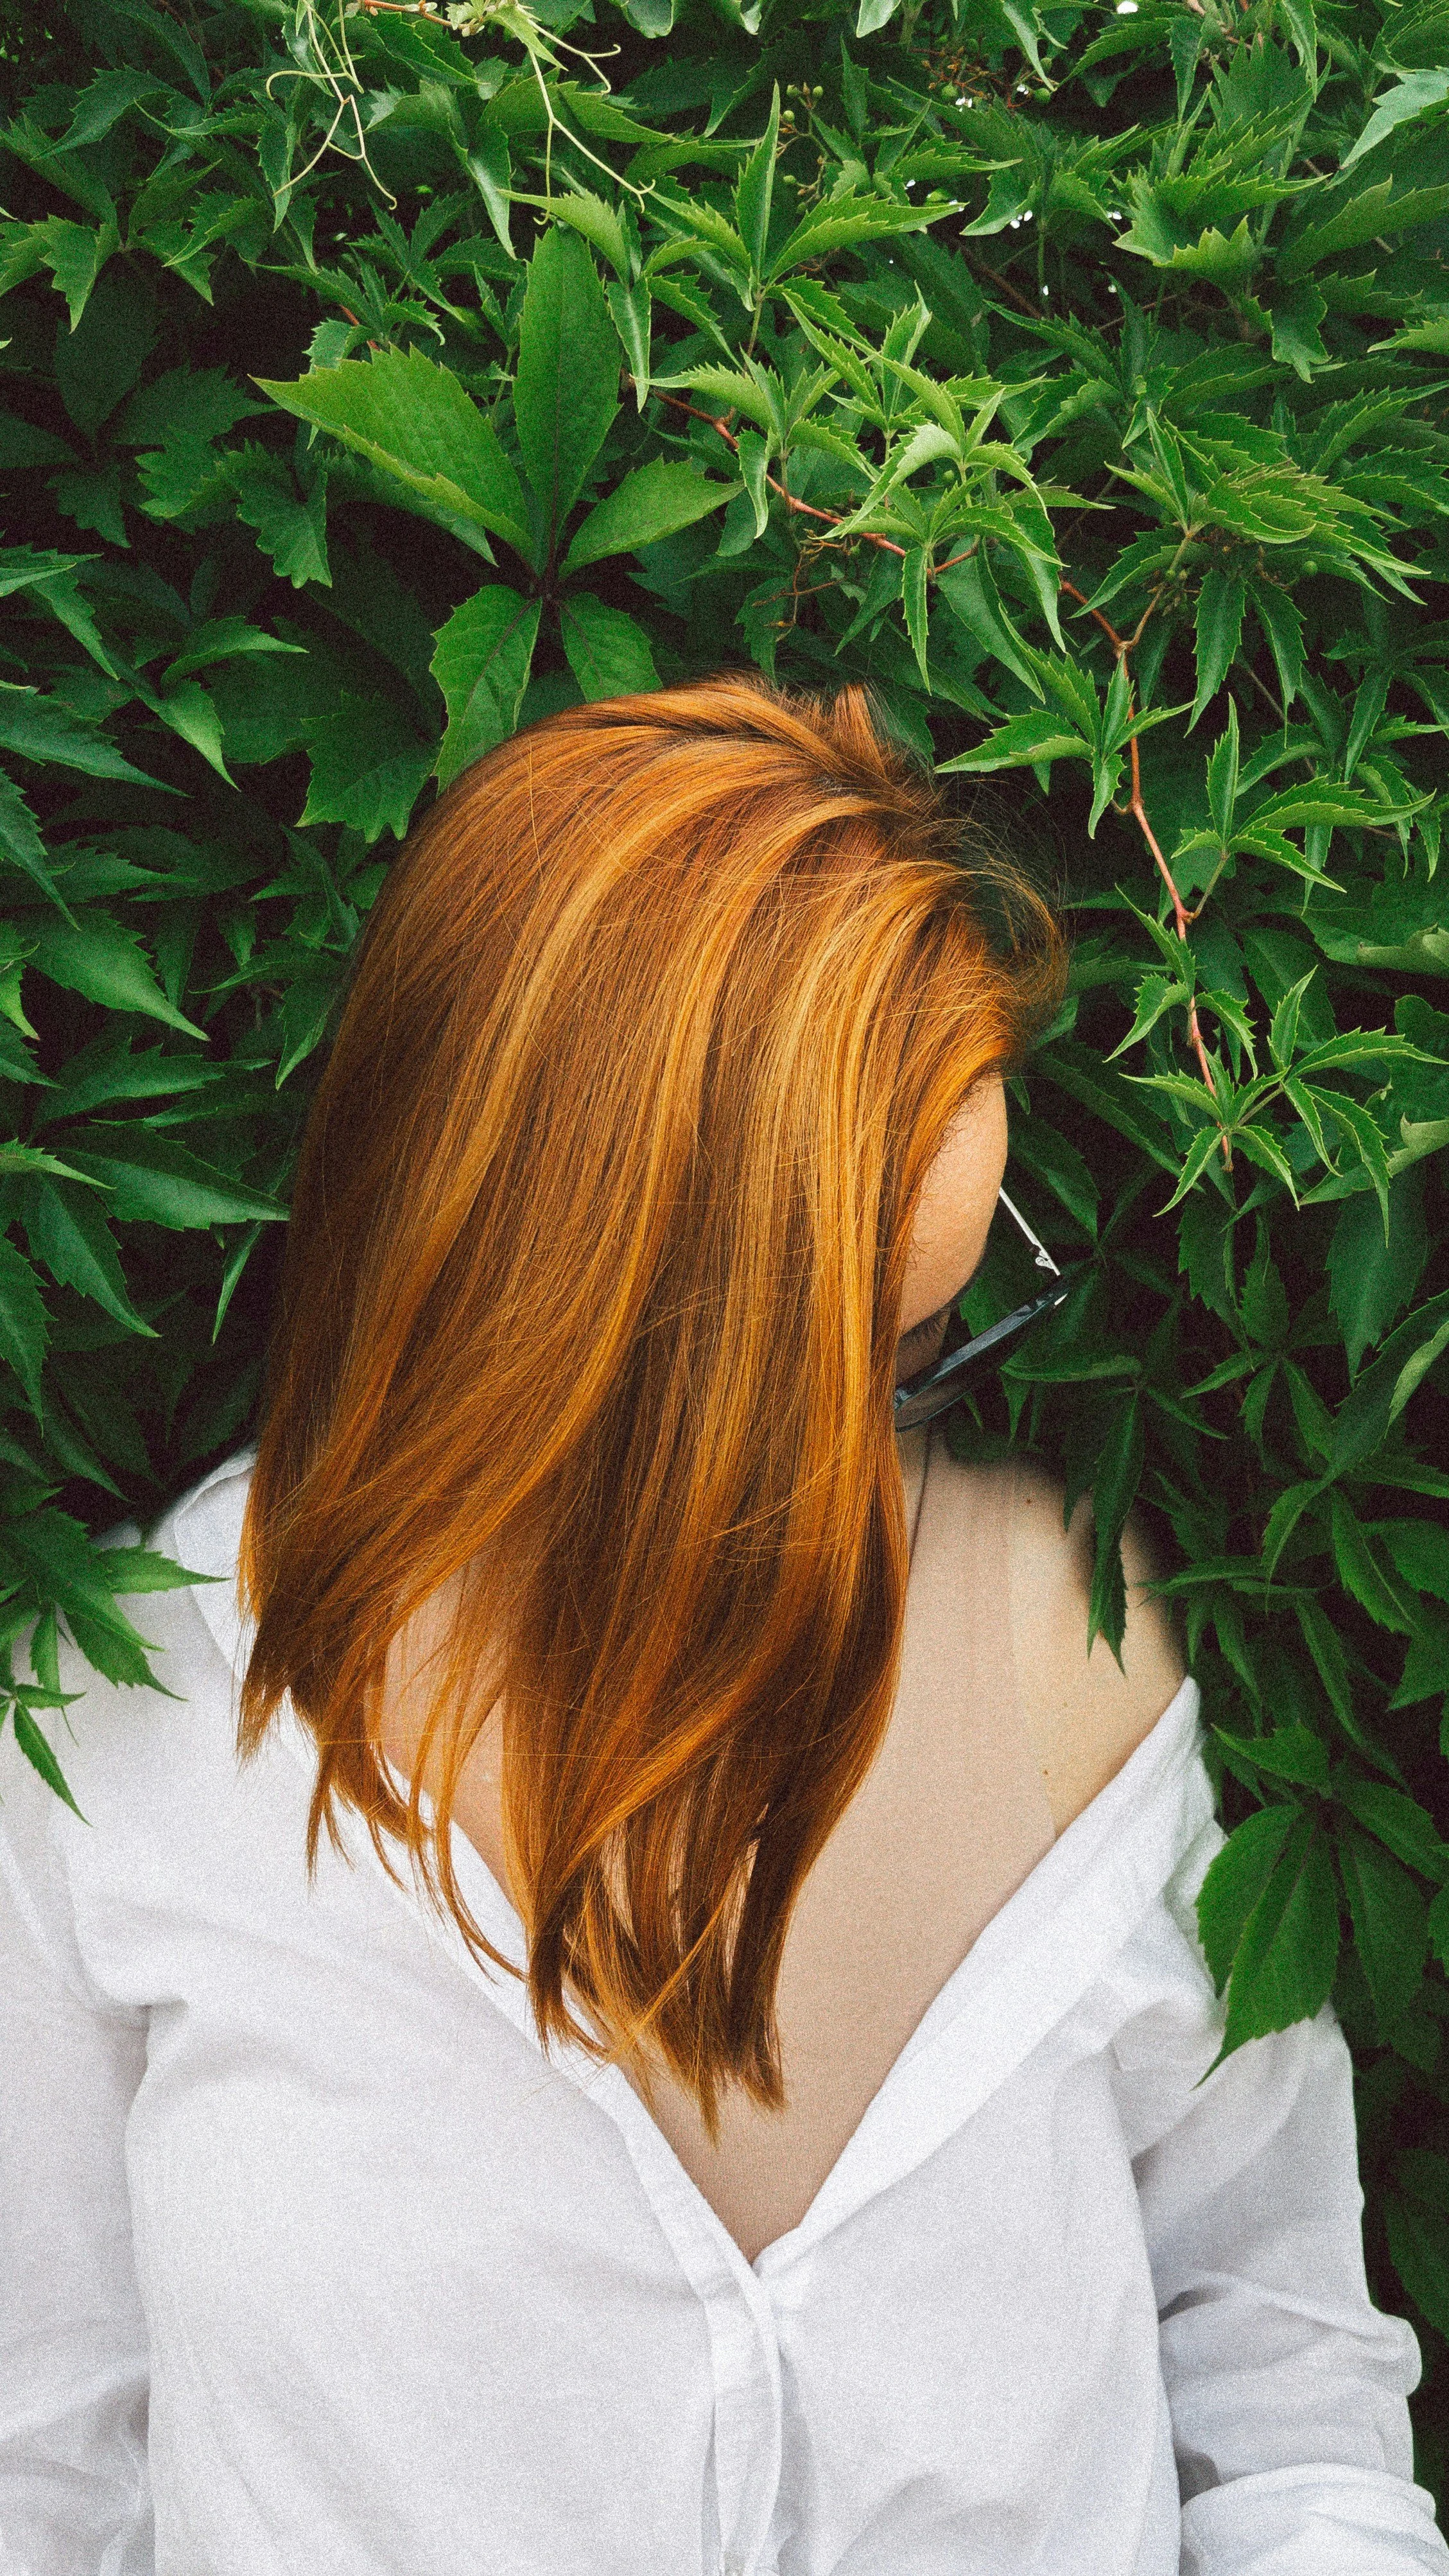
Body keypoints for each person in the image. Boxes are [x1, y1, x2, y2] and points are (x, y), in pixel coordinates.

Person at [0, 674, 1442, 2576]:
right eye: (816, 1363)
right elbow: (45, 2480)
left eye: (933, 1332)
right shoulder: (135, 1733)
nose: (875, 1458)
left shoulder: (1084, 1650)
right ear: (548, 1291)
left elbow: (1287, 2402)